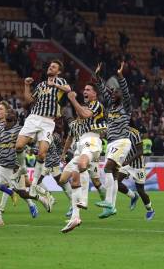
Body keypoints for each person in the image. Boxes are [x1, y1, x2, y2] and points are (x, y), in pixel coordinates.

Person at [16, 60, 70, 199]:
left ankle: (34, 185)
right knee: (19, 146)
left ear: (58, 71)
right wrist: (26, 85)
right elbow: (29, 100)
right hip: (34, 118)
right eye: (50, 66)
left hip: (48, 121)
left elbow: (69, 89)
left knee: (42, 154)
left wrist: (55, 84)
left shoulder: (61, 81)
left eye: (54, 67)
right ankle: (22, 168)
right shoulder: (40, 85)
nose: (50, 68)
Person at [60, 80, 107, 233]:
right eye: (84, 89)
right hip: (81, 144)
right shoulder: (78, 120)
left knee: (82, 166)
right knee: (72, 179)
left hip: (92, 140)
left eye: (88, 89)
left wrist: (72, 99)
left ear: (94, 93)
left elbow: (85, 114)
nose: (85, 92)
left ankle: (85, 200)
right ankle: (75, 217)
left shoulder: (96, 104)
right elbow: (70, 136)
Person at [94, 61, 132, 219]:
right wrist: (97, 76)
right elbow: (103, 90)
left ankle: (108, 202)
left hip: (122, 141)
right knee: (114, 175)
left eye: (116, 92)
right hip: (111, 143)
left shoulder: (126, 106)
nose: (113, 93)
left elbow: (125, 89)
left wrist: (120, 75)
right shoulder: (110, 107)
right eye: (113, 92)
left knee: (107, 169)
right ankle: (112, 208)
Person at [117, 126, 155, 220]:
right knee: (116, 182)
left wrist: (128, 161)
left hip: (138, 166)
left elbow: (140, 151)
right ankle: (133, 196)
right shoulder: (118, 131)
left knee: (141, 190)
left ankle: (150, 210)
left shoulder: (134, 133)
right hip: (127, 164)